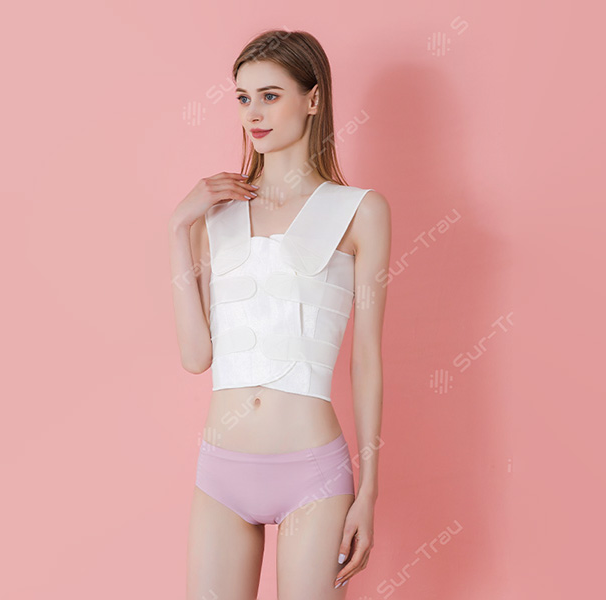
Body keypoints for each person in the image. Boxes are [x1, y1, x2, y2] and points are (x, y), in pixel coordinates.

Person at [168, 29, 391, 599]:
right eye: (243, 98)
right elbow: (196, 357)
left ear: (313, 99)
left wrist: (368, 492)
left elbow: (367, 359)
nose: (253, 113)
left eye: (270, 95)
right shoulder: (214, 215)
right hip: (221, 474)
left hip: (312, 473)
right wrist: (177, 227)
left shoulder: (360, 211)